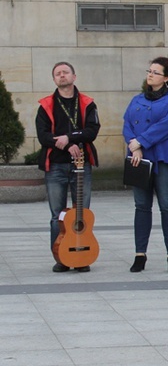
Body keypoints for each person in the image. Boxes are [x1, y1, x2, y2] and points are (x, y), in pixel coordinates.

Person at [123, 57, 168, 274]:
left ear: (166, 77)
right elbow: (127, 124)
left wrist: (142, 141)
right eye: (149, 71)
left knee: (167, 205)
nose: (150, 75)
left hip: (165, 157)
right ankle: (139, 254)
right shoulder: (137, 99)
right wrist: (134, 146)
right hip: (139, 158)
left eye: (155, 72)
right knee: (141, 206)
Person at [36, 61, 101, 273]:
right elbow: (43, 136)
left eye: (65, 72)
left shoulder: (87, 103)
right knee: (58, 214)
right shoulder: (46, 105)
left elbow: (92, 131)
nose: (62, 76)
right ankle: (61, 257)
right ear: (54, 79)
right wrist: (62, 143)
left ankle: (82, 255)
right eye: (57, 74)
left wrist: (69, 138)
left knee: (82, 212)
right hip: (55, 165)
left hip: (82, 165)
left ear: (74, 76)